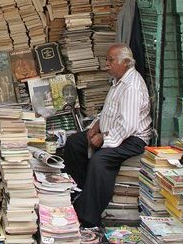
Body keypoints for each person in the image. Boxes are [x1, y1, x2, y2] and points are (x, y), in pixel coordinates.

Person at [63, 43, 152, 227]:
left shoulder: (131, 86)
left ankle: (88, 216)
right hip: (112, 130)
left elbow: (128, 125)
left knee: (101, 160)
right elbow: (110, 111)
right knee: (74, 143)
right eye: (107, 60)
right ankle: (77, 191)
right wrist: (96, 125)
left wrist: (103, 138)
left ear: (126, 62)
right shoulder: (118, 81)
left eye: (111, 60)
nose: (107, 64)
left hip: (132, 138)